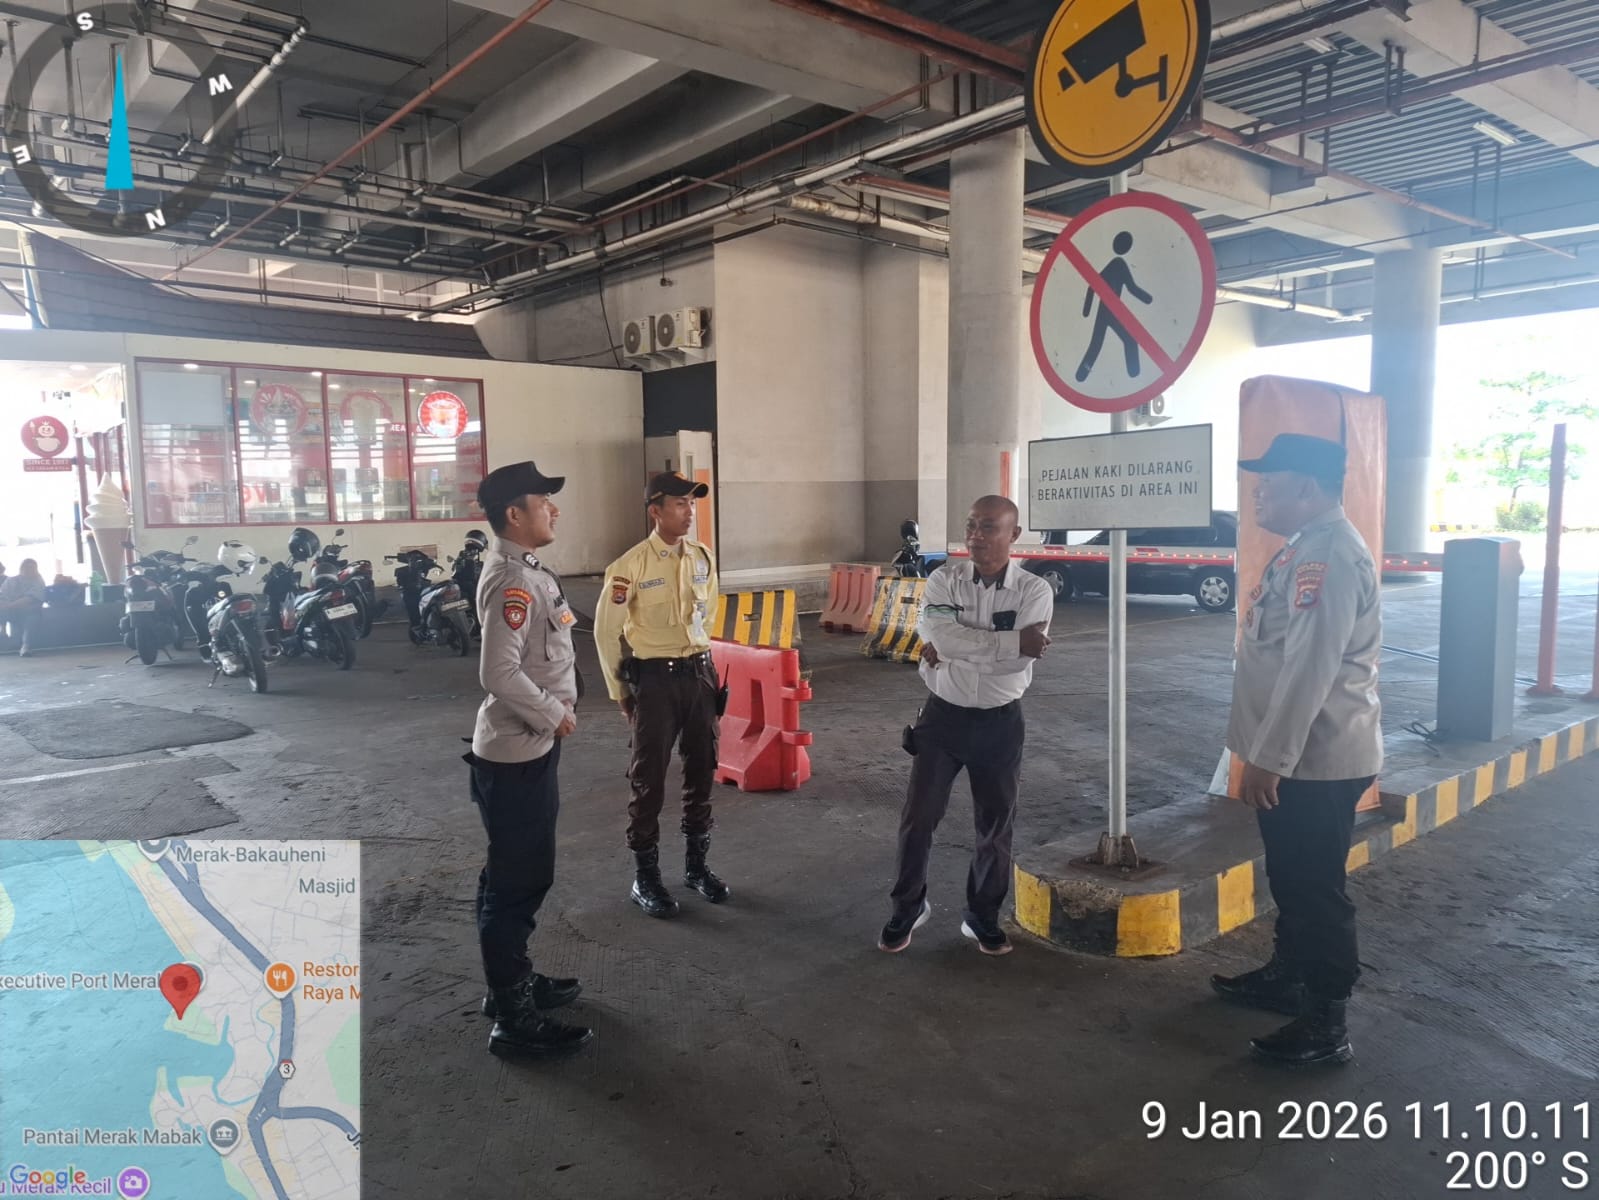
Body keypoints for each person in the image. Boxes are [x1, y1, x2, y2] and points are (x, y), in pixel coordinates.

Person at [1211, 433, 1382, 1067]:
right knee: (1292, 876)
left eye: (1268, 484)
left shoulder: (1327, 556)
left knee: (1315, 888)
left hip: (1314, 760)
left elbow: (1310, 667)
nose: (1256, 494)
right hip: (1298, 758)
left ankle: (1326, 1018)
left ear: (1306, 487)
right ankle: (1290, 977)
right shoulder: (1304, 547)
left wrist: (1270, 759)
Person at [879, 496, 1053, 956]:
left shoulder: (1034, 591)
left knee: (996, 824)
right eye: (971, 525)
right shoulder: (944, 578)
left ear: (1014, 535)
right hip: (943, 718)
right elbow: (943, 635)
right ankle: (907, 907)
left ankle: (981, 917)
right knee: (918, 818)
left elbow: (1016, 663)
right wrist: (1009, 641)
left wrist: (956, 648)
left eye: (988, 527)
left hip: (1000, 723)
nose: (976, 536)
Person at [466, 461, 594, 1059]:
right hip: (518, 753)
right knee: (518, 882)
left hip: (524, 750)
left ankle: (510, 983)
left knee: (510, 875)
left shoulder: (527, 570)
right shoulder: (514, 581)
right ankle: (513, 1018)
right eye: (544, 500)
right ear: (514, 514)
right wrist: (553, 713)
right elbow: (498, 671)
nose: (554, 508)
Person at [595, 471, 726, 918]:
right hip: (654, 683)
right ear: (656, 510)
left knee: (702, 770)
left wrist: (702, 664)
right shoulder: (630, 566)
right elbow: (606, 633)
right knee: (648, 780)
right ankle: (646, 877)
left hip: (700, 677)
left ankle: (696, 867)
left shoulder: (703, 557)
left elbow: (709, 615)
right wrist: (621, 692)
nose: (690, 512)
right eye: (680, 504)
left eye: (693, 503)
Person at [0, 559, 48, 656]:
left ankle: (26, 646)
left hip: (29, 611)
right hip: (10, 611)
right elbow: (3, 595)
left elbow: (31, 598)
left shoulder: (38, 581)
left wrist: (10, 605)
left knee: (32, 617)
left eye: (31, 568)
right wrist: (5, 605)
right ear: (21, 568)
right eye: (26, 567)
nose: (28, 570)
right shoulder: (11, 580)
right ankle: (3, 633)